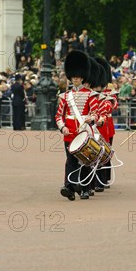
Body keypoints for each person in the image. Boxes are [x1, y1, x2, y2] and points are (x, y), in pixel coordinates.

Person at [55, 50, 98, 201]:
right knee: (71, 161)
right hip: (70, 133)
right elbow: (59, 115)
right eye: (73, 77)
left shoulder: (91, 95)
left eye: (78, 77)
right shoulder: (65, 96)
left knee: (85, 161)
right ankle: (69, 187)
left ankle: (85, 188)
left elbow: (95, 113)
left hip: (84, 132)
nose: (76, 80)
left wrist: (90, 119)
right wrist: (63, 127)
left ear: (82, 77)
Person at [93, 57, 119, 190]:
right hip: (94, 122)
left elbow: (115, 105)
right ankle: (97, 179)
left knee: (105, 152)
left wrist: (108, 100)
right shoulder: (91, 89)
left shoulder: (109, 88)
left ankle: (105, 178)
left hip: (106, 124)